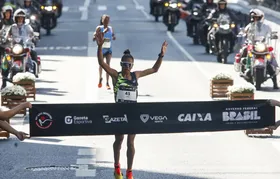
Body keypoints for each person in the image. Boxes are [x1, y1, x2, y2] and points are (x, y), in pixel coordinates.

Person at [95, 29, 168, 179]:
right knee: (119, 140)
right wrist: (100, 47)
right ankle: (116, 167)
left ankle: (129, 171)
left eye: (128, 65)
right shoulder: (116, 75)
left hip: (133, 112)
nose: (126, 67)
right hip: (119, 111)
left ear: (132, 65)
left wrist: (161, 54)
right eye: (124, 64)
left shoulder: (136, 75)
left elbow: (154, 69)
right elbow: (102, 63)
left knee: (131, 142)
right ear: (121, 64)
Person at [242, 9, 279, 89]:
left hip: (263, 46)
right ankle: (244, 66)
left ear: (261, 18)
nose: (255, 19)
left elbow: (271, 33)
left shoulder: (266, 26)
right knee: (245, 50)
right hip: (253, 45)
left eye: (257, 18)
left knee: (271, 58)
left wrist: (273, 35)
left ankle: (275, 83)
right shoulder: (250, 26)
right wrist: (243, 33)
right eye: (254, 17)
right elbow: (245, 31)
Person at [93, 14, 116, 90]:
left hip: (109, 49)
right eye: (105, 20)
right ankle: (100, 78)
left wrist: (113, 36)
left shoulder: (111, 28)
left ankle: (107, 82)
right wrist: (96, 36)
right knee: (101, 65)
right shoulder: (99, 28)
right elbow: (95, 36)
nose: (106, 21)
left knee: (108, 65)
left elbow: (113, 35)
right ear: (102, 20)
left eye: (108, 20)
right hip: (101, 50)